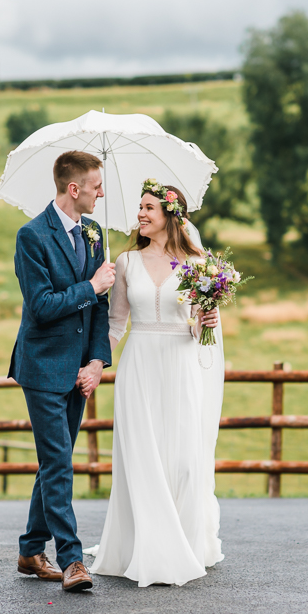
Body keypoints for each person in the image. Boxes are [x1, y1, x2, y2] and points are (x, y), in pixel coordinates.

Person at [89, 181, 225, 587]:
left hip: (181, 364)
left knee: (183, 459)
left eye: (149, 208)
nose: (141, 214)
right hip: (140, 365)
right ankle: (144, 545)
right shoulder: (127, 262)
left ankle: (183, 538)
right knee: (141, 455)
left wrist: (210, 321)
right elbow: (116, 323)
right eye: (140, 208)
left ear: (170, 215)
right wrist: (97, 363)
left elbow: (202, 324)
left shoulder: (199, 264)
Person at [7, 150, 115, 593]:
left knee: (56, 461)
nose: (101, 192)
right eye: (96, 185)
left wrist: (95, 362)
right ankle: (73, 560)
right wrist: (90, 286)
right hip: (42, 367)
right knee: (59, 463)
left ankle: (31, 549)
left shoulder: (93, 233)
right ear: (75, 189)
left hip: (77, 371)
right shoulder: (31, 236)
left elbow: (99, 309)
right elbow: (43, 306)